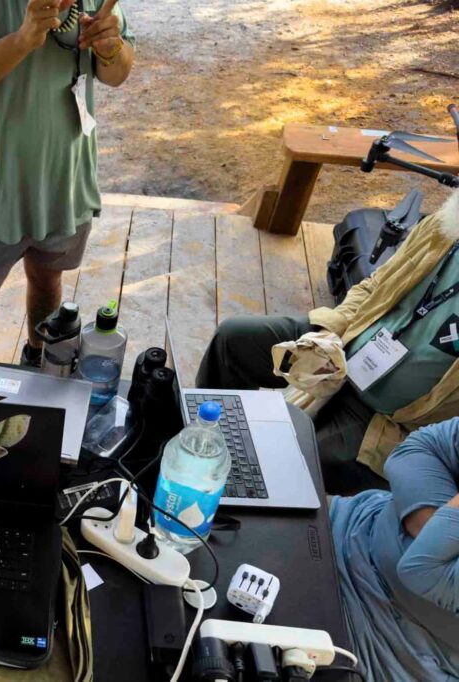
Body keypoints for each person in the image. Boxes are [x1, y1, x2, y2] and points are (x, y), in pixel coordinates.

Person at [196, 190, 459, 494]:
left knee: (286, 463)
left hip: (386, 421)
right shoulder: (446, 225)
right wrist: (329, 330)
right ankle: (200, 441)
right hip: (344, 344)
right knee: (235, 339)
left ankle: (223, 496)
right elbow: (374, 286)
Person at [0, 0, 135, 366]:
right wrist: (22, 40)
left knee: (47, 279)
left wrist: (111, 48)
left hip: (64, 183)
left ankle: (36, 357)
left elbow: (118, 73)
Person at [330, 418, 459, 681]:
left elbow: (422, 569)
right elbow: (420, 446)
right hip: (346, 526)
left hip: (384, 647)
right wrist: (434, 527)